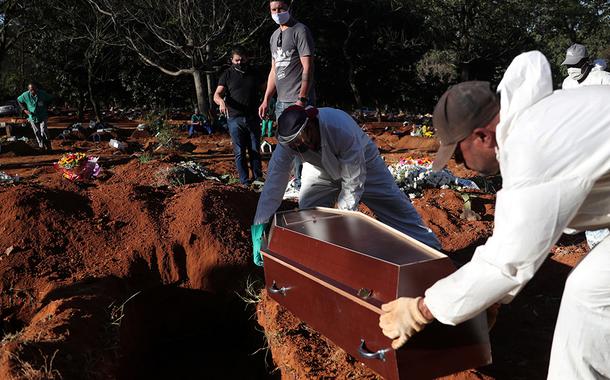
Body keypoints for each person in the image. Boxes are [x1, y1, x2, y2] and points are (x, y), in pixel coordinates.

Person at [378, 51, 610, 378]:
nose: (460, 165)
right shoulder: (537, 121)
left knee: (590, 295)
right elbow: (528, 237)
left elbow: (508, 262)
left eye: (458, 154)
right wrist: (491, 297)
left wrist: (420, 310)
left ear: (482, 137)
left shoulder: (530, 148)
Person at [251, 105, 441, 266]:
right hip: (319, 170)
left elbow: (352, 183)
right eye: (291, 144)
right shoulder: (288, 144)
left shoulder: (339, 128)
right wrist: (260, 223)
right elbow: (274, 182)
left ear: (309, 128)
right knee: (308, 210)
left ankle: (432, 251)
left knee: (393, 204)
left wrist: (342, 221)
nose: (295, 147)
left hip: (363, 164)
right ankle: (319, 259)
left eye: (298, 142)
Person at [258, 0, 315, 191]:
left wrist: (303, 98)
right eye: (273, 10)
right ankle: (295, 181)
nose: (277, 12)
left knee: (302, 145)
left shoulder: (300, 30)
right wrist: (267, 98)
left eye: (281, 9)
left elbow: (307, 66)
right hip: (281, 101)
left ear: (289, 7)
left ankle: (303, 184)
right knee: (286, 145)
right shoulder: (274, 36)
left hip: (297, 100)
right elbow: (274, 70)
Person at [213, 46, 264, 186]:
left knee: (254, 149)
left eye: (242, 59)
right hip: (234, 118)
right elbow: (216, 95)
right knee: (239, 151)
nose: (240, 62)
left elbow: (266, 90)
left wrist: (266, 103)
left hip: (253, 117)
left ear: (247, 58)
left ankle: (258, 179)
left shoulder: (254, 73)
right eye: (237, 60)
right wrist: (221, 102)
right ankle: (244, 181)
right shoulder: (227, 74)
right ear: (231, 60)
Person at [17, 83, 53, 151]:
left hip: (42, 115)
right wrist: (24, 110)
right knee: (37, 132)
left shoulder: (42, 93)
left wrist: (47, 107)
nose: (33, 91)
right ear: (29, 90)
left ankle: (48, 145)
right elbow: (18, 100)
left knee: (44, 130)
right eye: (31, 90)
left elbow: (51, 98)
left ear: (37, 89)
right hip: (32, 116)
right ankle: (41, 146)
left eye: (34, 89)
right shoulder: (25, 95)